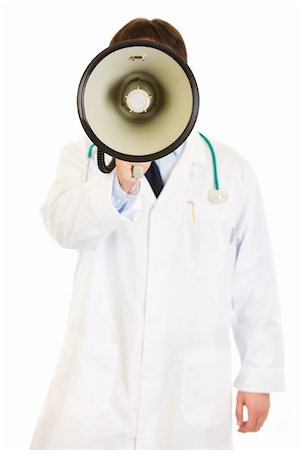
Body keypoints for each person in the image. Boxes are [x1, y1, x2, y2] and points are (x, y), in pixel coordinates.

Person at [29, 18, 285, 450]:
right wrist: (118, 186)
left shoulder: (230, 170)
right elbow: (62, 226)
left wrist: (258, 375)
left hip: (188, 388)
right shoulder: (84, 158)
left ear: (181, 82)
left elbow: (255, 278)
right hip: (97, 389)